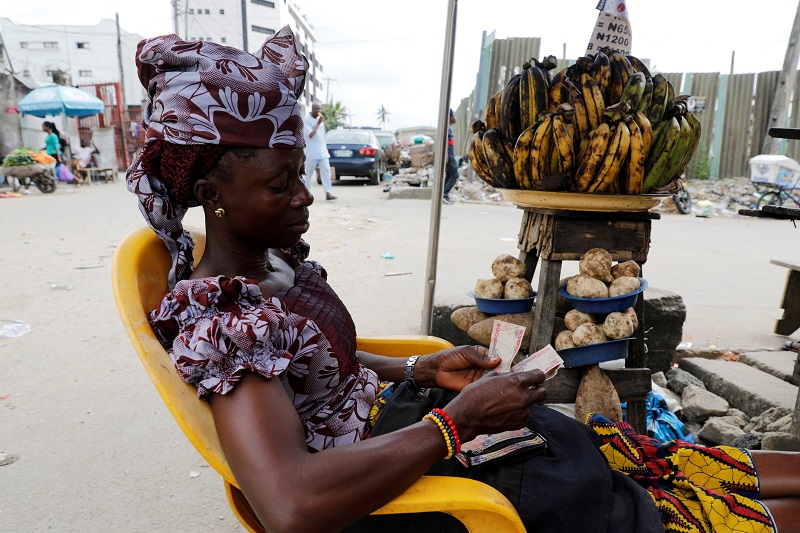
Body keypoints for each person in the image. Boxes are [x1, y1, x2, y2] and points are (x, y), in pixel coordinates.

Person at [128, 29, 800, 533]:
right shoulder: (221, 323)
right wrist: (458, 423)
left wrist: (420, 368)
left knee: (607, 451)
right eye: (281, 183)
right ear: (211, 192)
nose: (306, 197)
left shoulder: (271, 266)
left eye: (301, 174)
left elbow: (314, 365)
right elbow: (290, 502)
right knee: (623, 500)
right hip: (392, 489)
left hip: (403, 429)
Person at [303, 101, 336, 201]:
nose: (319, 111)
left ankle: (328, 193)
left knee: (326, 171)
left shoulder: (319, 120)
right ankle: (306, 194)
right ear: (312, 109)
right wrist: (318, 123)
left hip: (322, 151)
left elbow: (322, 136)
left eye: (320, 109)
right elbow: (311, 134)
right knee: (308, 174)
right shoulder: (306, 120)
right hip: (311, 152)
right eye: (317, 109)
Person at [43, 121, 82, 186]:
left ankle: (78, 180)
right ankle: (77, 180)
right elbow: (48, 146)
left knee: (62, 169)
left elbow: (56, 146)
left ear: (47, 127)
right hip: (50, 155)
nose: (43, 128)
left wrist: (58, 157)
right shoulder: (49, 136)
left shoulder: (53, 136)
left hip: (55, 155)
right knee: (58, 169)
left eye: (44, 126)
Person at [442, 109, 458, 204]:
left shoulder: (449, 128)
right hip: (449, 156)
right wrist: (446, 156)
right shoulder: (447, 129)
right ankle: (444, 194)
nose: (455, 118)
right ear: (450, 117)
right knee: (455, 175)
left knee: (449, 174)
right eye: (454, 116)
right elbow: (445, 143)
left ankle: (443, 194)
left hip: (450, 155)